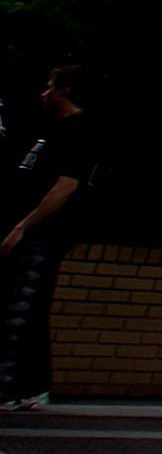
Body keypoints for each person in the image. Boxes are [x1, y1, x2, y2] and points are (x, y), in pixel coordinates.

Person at [0, 65, 108, 411]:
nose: (44, 93)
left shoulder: (79, 129)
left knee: (22, 308)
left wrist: (24, 226)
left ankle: (12, 387)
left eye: (49, 86)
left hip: (44, 233)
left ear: (65, 90)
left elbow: (67, 185)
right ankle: (32, 385)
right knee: (24, 306)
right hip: (31, 230)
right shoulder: (52, 130)